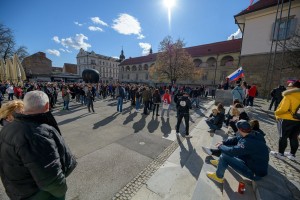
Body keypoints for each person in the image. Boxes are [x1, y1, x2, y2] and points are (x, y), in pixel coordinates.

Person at [0, 91, 77, 200]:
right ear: (47, 105)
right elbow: (50, 178)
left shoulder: (8, 128)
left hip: (18, 190)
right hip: (38, 194)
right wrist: (61, 192)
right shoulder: (38, 133)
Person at [270, 80, 300, 161]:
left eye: (289, 86)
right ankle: (292, 154)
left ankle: (281, 154)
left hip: (286, 119)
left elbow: (283, 109)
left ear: (294, 87)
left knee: (283, 136)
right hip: (298, 120)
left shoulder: (289, 95)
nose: (288, 87)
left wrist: (276, 112)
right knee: (294, 137)